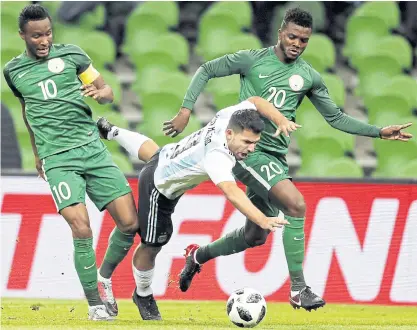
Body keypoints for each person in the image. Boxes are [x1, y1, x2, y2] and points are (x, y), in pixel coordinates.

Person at [163, 7, 413, 311]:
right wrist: (186, 109)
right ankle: (298, 289)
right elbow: (206, 70)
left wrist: (378, 132)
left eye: (304, 40)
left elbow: (334, 117)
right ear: (281, 32)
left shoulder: (308, 76)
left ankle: (197, 256)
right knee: (295, 205)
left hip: (276, 159)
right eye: (292, 36)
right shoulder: (252, 59)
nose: (297, 43)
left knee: (255, 236)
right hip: (247, 151)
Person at [2, 4, 157, 321]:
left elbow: (107, 90)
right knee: (82, 228)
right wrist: (37, 155)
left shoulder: (73, 55)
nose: (43, 40)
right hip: (57, 158)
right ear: (23, 36)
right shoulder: (13, 71)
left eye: (47, 33)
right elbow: (28, 113)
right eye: (36, 36)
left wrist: (102, 95)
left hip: (92, 151)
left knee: (130, 224)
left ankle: (104, 277)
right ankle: (95, 304)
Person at [97, 96, 298, 320]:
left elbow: (255, 100)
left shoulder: (229, 116)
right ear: (230, 134)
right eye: (247, 142)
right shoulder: (217, 156)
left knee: (157, 154)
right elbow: (232, 193)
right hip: (159, 188)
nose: (251, 148)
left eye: (255, 143)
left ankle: (112, 132)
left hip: (168, 156)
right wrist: (262, 220)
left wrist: (279, 119)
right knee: (153, 243)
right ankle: (143, 294)